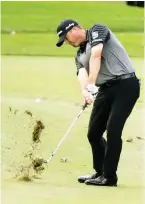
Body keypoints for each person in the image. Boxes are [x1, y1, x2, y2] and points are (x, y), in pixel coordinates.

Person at [56, 19, 140, 187]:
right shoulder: (79, 54)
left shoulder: (98, 30)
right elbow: (81, 73)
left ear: (74, 29)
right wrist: (86, 91)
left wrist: (92, 84)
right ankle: (100, 172)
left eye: (66, 38)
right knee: (93, 133)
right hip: (104, 89)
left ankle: (109, 177)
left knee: (113, 131)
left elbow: (96, 55)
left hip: (125, 85)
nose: (67, 42)